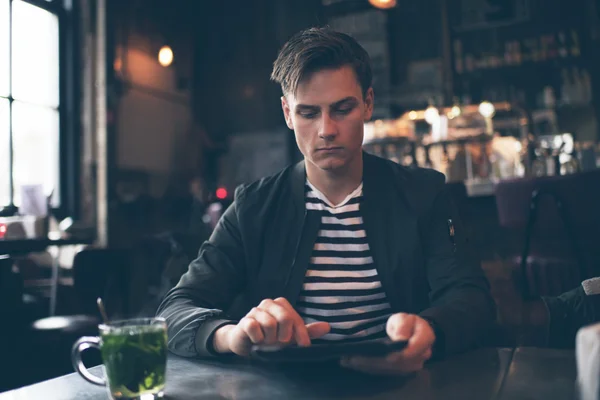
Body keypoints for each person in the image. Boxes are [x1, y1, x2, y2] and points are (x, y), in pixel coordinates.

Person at [156, 27, 495, 375]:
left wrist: (430, 333)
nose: (326, 130)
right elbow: (174, 310)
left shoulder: (423, 193)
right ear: (288, 113)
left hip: (400, 383)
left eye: (342, 109)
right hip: (288, 388)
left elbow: (471, 299)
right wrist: (233, 337)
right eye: (308, 113)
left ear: (368, 103)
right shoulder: (253, 208)